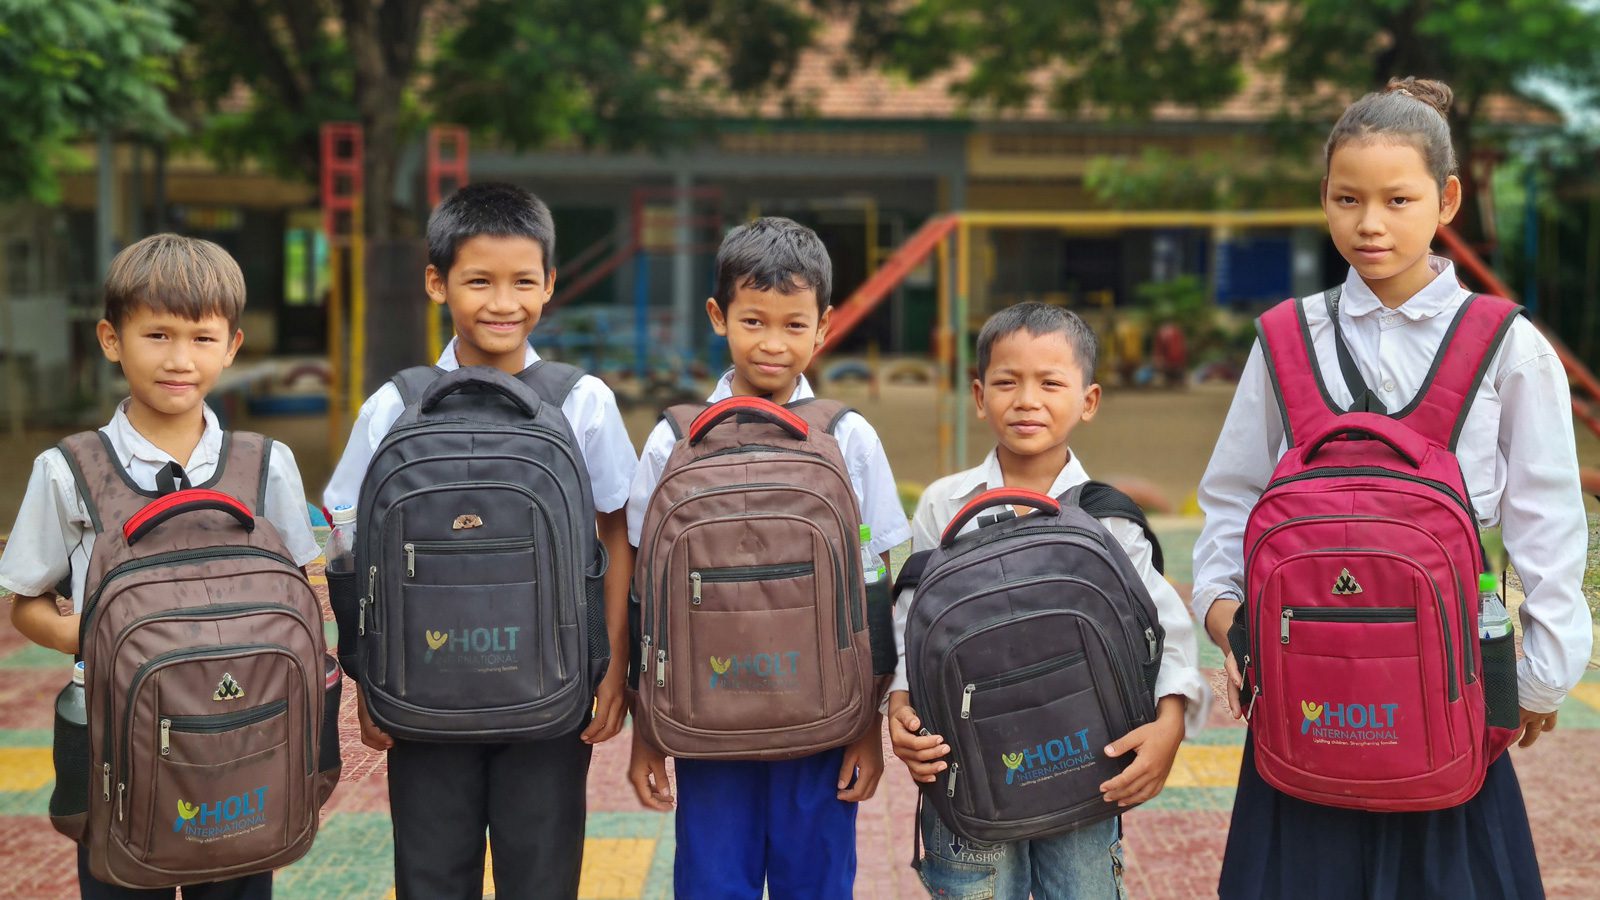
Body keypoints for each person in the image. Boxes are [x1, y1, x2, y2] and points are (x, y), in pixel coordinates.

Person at [1192, 77, 1592, 898]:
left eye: (1398, 199)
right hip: (1302, 684)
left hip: (1452, 684)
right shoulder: (1285, 337)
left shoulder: (1505, 346)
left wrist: (1545, 671)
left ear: (1446, 200)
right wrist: (1224, 611)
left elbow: (1545, 516)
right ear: (1324, 199)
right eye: (1347, 198)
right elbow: (1232, 495)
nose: (1369, 223)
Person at [322, 182, 637, 899]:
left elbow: (618, 532)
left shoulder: (581, 401)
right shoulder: (396, 404)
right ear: (438, 283)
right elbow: (345, 536)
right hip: (421, 698)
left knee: (543, 882)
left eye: (524, 281)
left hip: (554, 696)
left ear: (550, 284)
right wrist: (366, 675)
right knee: (431, 881)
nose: (504, 302)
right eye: (479, 281)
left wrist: (613, 666)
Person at [1, 234, 322, 899]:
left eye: (203, 339)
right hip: (120, 751)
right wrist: (96, 640)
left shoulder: (265, 466)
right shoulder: (69, 471)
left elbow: (301, 586)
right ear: (111, 339)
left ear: (232, 347)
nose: (180, 360)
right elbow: (25, 603)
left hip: (244, 743)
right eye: (157, 335)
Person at [624, 216, 911, 898]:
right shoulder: (675, 440)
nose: (774, 344)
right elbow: (645, 592)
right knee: (710, 885)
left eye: (793, 325)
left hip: (822, 722)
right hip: (703, 720)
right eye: (754, 321)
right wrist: (647, 727)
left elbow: (875, 582)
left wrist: (865, 726)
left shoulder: (848, 436)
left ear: (824, 326)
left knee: (816, 885)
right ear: (719, 317)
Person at [888, 301, 1207, 898]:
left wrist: (1170, 725)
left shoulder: (1107, 519)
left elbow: (1165, 630)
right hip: (969, 766)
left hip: (1086, 766)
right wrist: (900, 703)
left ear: (1087, 401)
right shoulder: (944, 505)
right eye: (1007, 382)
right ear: (980, 396)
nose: (1027, 399)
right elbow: (914, 619)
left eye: (1050, 383)